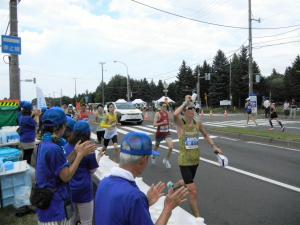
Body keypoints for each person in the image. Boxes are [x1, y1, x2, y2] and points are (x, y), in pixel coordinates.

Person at [95, 132, 189, 225]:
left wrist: (145, 202)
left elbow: (119, 213)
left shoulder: (104, 182)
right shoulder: (134, 197)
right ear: (144, 160)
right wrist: (168, 207)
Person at [35, 107, 96, 225]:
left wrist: (75, 153)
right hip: (54, 209)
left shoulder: (45, 143)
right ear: (60, 127)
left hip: (46, 205)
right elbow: (66, 176)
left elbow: (59, 166)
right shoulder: (54, 148)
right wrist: (80, 155)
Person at [173, 95, 224, 218]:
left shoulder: (197, 123)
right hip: (184, 161)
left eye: (193, 108)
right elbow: (175, 114)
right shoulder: (181, 123)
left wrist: (214, 147)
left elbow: (206, 135)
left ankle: (172, 188)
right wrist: (186, 102)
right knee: (193, 191)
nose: (192, 110)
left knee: (185, 182)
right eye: (190, 108)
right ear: (185, 111)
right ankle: (197, 219)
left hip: (195, 160)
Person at [65, 121, 99, 225]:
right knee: (86, 221)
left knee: (73, 217)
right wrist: (99, 158)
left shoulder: (66, 146)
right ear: (88, 133)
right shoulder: (89, 148)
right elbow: (93, 170)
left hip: (69, 188)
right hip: (84, 191)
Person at [152, 103, 173, 168]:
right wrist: (162, 123)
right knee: (156, 146)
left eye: (166, 107)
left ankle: (166, 160)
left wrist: (170, 123)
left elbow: (167, 121)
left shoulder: (167, 113)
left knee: (171, 147)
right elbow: (154, 124)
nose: (165, 108)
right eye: (163, 106)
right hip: (159, 133)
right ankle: (153, 157)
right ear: (161, 107)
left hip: (166, 133)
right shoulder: (157, 114)